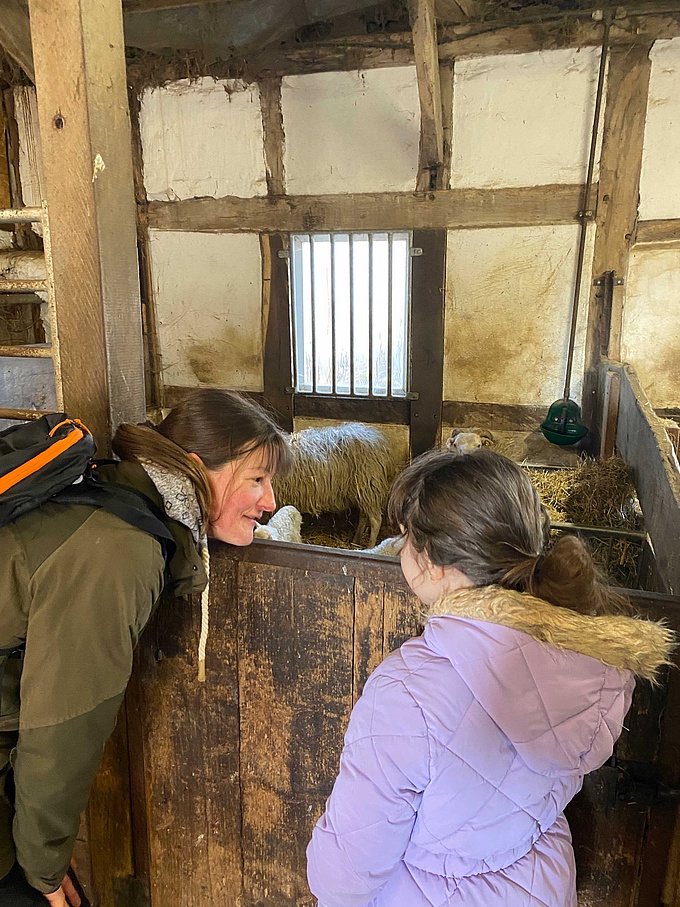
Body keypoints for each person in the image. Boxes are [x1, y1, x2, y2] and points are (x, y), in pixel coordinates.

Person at [307, 448, 674, 907]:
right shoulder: (589, 665)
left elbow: (349, 866)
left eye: (405, 537)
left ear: (434, 563)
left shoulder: (406, 692)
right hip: (539, 886)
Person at [0, 389, 291, 907]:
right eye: (257, 480)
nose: (270, 502)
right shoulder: (121, 550)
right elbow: (65, 724)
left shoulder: (117, 498)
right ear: (200, 471)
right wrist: (42, 874)